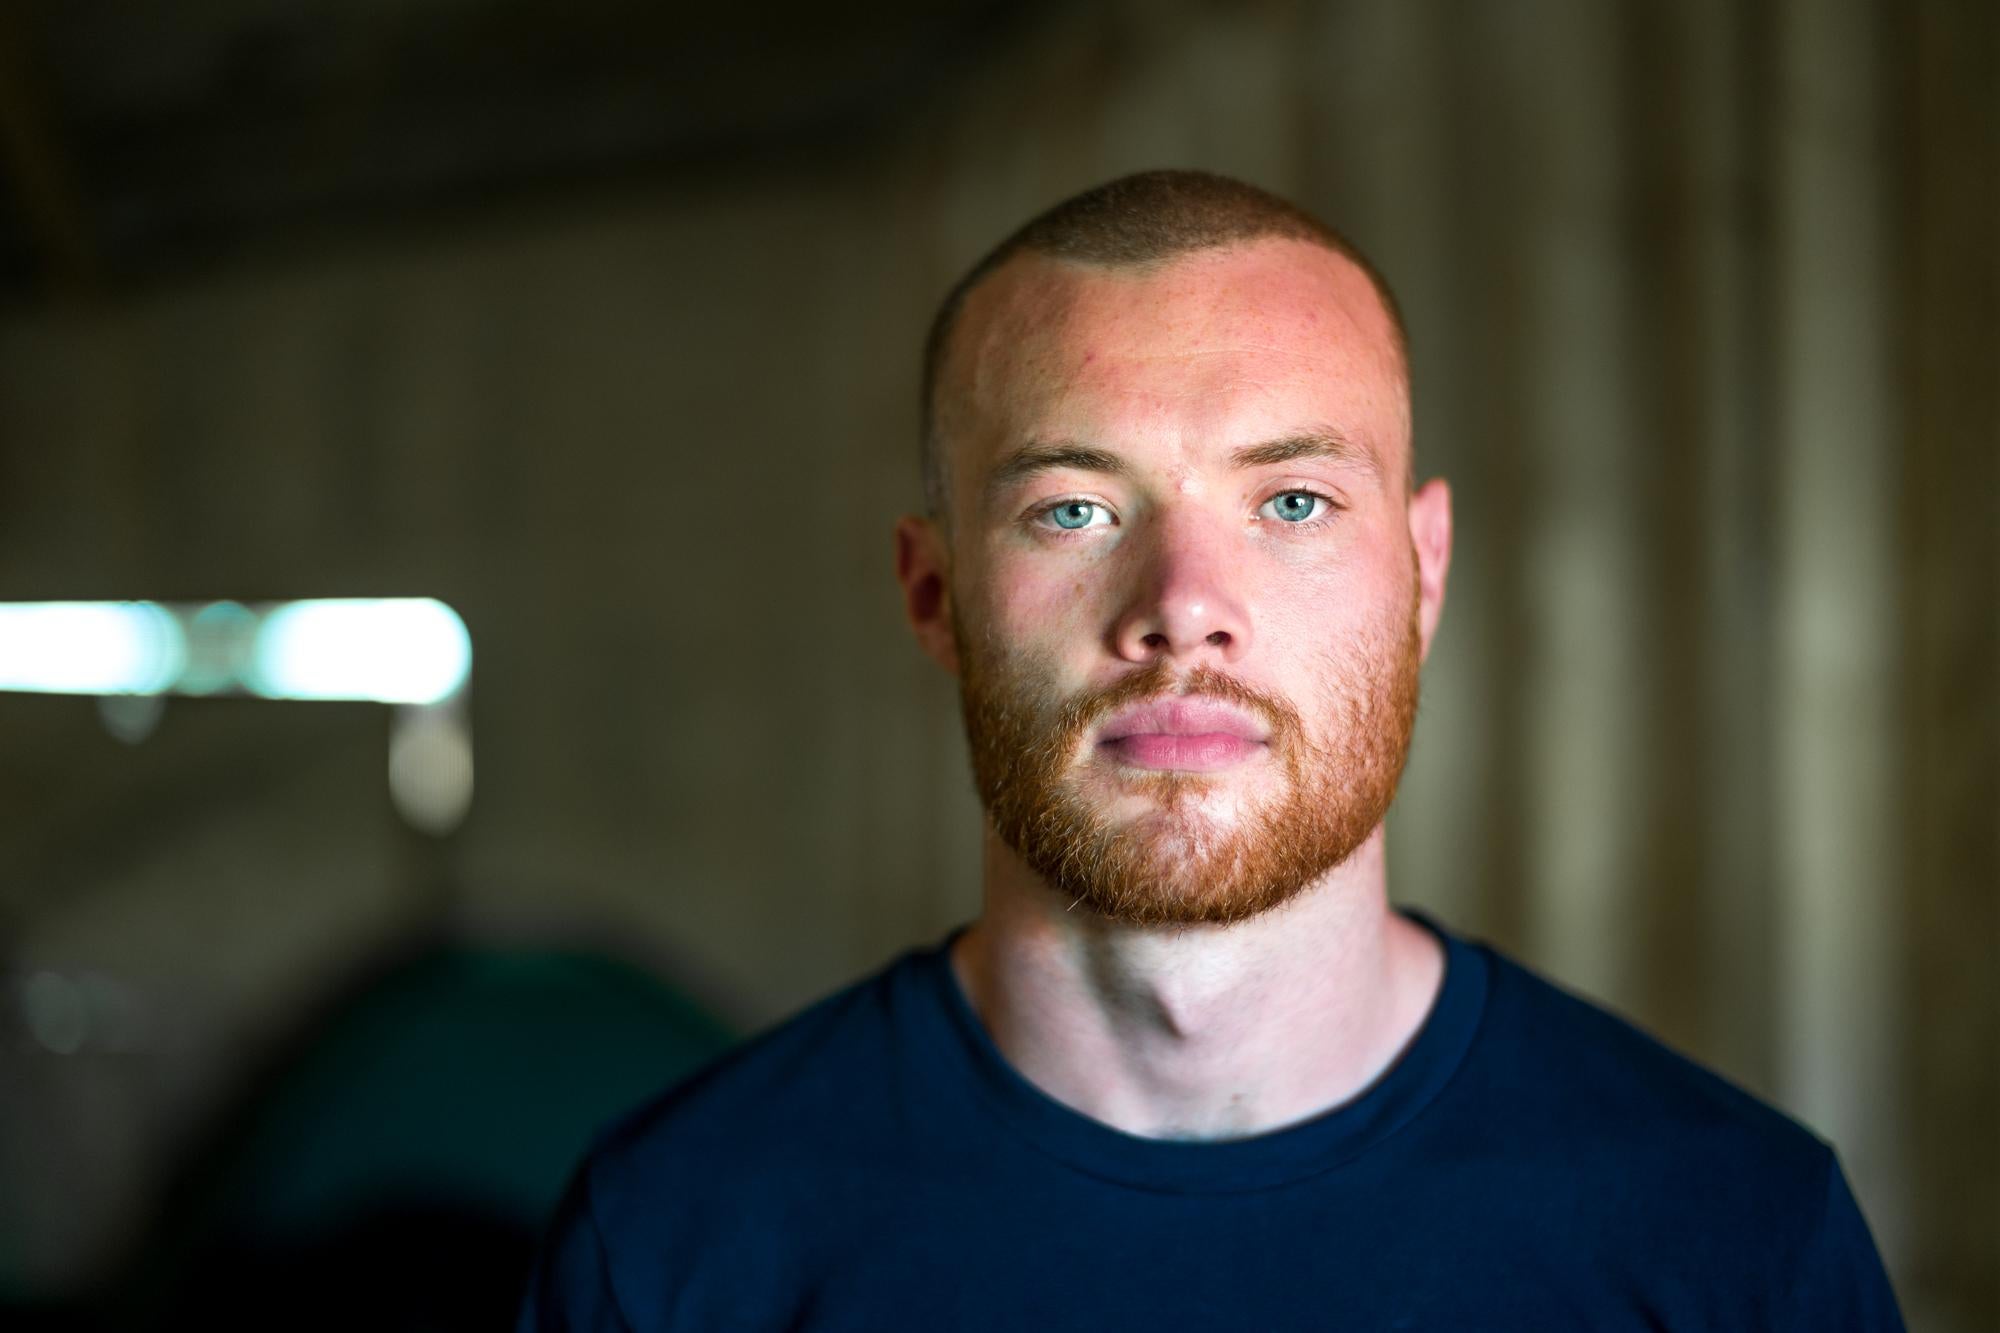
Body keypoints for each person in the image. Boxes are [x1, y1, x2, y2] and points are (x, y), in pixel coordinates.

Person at [515, 170, 1904, 1331]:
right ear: (931, 591)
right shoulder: (676, 1245)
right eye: (1072, 510)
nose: (1183, 605)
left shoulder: (1738, 1242)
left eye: (1292, 500)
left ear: (1423, 573)